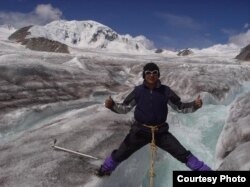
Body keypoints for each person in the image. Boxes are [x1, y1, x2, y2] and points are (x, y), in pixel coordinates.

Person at [97, 62, 212, 177]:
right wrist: (112, 105)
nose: (151, 75)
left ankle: (204, 171)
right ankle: (105, 169)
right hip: (139, 131)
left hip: (160, 132)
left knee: (182, 153)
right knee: (121, 154)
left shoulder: (166, 91)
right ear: (144, 75)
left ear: (158, 75)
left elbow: (180, 107)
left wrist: (195, 105)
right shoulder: (138, 91)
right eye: (148, 73)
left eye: (154, 73)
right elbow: (125, 108)